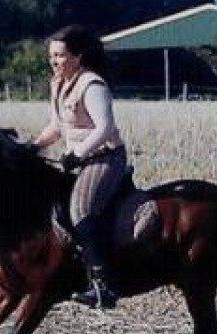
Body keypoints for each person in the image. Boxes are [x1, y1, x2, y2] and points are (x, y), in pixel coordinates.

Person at [33, 25, 127, 310]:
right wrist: (32, 147)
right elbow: (56, 126)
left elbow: (105, 127)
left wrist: (79, 152)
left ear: (78, 56)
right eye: (52, 56)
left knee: (81, 211)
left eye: (60, 56)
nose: (54, 61)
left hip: (104, 158)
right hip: (77, 158)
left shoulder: (92, 84)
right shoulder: (58, 83)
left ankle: (103, 286)